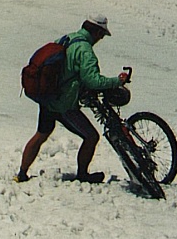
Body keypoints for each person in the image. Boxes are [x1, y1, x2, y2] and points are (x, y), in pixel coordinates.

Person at [15, 15, 128, 184]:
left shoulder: (66, 39)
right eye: (102, 35)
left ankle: (21, 173)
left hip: (49, 98)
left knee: (41, 134)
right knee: (91, 137)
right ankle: (83, 175)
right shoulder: (85, 50)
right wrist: (117, 81)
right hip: (64, 104)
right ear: (96, 32)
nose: (101, 39)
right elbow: (93, 80)